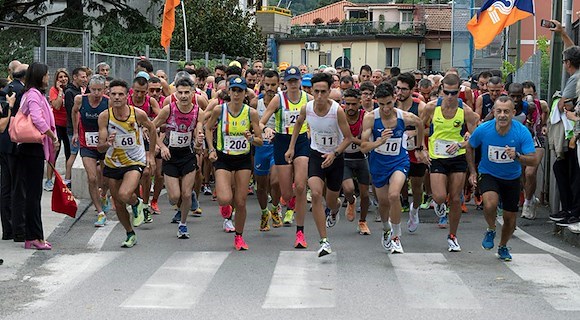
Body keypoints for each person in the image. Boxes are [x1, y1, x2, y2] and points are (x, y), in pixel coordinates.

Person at [285, 72, 352, 257]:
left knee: (331, 201)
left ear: (330, 91)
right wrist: (291, 147)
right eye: (317, 92)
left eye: (324, 91)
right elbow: (298, 124)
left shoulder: (336, 110)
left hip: (335, 158)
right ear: (311, 91)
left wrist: (335, 153)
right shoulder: (307, 108)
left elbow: (348, 138)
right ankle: (324, 241)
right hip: (315, 155)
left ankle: (335, 208)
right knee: (315, 193)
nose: (320, 96)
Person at [467, 96, 538, 261]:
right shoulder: (484, 129)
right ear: (493, 112)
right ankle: (491, 228)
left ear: (513, 113)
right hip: (489, 173)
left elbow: (534, 159)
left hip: (512, 178)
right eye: (499, 111)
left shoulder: (521, 132)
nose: (502, 115)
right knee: (490, 203)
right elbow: (470, 146)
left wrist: (518, 156)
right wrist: (472, 171)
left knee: (510, 219)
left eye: (506, 111)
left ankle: (503, 246)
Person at [361, 82, 427, 254]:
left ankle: (396, 237)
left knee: (394, 195)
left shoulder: (404, 117)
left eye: (389, 103)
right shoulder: (370, 118)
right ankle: (386, 229)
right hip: (378, 164)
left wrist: (419, 148)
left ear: (395, 99)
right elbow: (363, 147)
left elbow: (420, 123)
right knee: (383, 202)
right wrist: (379, 142)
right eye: (381, 104)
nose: (385, 108)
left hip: (399, 161)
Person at [97, 79, 157, 248]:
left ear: (126, 96)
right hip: (113, 162)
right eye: (113, 94)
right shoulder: (105, 117)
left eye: (120, 94)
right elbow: (100, 148)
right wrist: (107, 143)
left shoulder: (137, 114)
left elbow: (152, 129)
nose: (116, 97)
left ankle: (137, 203)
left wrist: (151, 155)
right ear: (109, 95)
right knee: (119, 202)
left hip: (134, 160)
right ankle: (130, 233)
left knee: (124, 194)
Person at [422, 74, 478, 252]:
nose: (450, 96)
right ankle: (439, 204)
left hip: (458, 158)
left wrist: (463, 142)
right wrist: (420, 149)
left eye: (454, 93)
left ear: (459, 91)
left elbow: (474, 139)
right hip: (438, 157)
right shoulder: (431, 107)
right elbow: (418, 126)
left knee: (455, 198)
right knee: (439, 196)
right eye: (446, 92)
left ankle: (453, 236)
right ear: (441, 91)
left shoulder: (466, 111)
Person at [205, 76, 263, 250]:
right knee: (224, 198)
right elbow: (208, 128)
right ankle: (226, 209)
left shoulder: (250, 112)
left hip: (243, 159)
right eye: (234, 90)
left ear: (245, 93)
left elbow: (260, 140)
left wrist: (251, 138)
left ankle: (239, 236)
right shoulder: (219, 110)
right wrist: (211, 149)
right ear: (228, 92)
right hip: (223, 158)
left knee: (241, 201)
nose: (236, 94)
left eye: (240, 91)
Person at [260, 66, 313, 248]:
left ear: (300, 81)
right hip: (282, 141)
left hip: (301, 142)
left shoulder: (308, 99)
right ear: (285, 82)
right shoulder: (278, 99)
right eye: (289, 81)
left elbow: (318, 116)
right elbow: (262, 120)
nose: (292, 84)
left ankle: (300, 232)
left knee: (300, 186)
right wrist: (265, 129)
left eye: (295, 81)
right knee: (286, 192)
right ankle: (286, 202)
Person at [12, 63, 59, 250]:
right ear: (40, 76)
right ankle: (35, 237)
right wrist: (52, 135)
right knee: (33, 195)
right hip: (32, 148)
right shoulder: (32, 94)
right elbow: (38, 119)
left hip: (30, 148)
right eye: (47, 75)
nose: (48, 78)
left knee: (32, 194)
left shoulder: (32, 93)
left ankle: (32, 236)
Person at [153, 78, 204, 239]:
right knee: (174, 196)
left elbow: (199, 131)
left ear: (192, 93)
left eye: (186, 93)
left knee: (186, 194)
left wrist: (199, 140)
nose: (183, 96)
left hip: (188, 155)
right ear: (175, 94)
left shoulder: (198, 112)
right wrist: (161, 147)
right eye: (180, 92)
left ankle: (183, 224)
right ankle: (183, 202)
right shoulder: (169, 110)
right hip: (171, 155)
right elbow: (151, 127)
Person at [72, 75, 110, 227]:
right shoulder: (80, 99)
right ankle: (100, 212)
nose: (96, 93)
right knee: (92, 178)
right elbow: (75, 112)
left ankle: (104, 194)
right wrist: (75, 131)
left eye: (99, 90)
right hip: (87, 144)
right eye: (93, 89)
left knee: (106, 178)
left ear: (104, 89)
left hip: (105, 144)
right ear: (89, 88)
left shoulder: (108, 102)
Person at [395, 73, 427, 232]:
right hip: (396, 151)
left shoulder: (420, 106)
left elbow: (429, 129)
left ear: (412, 89)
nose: (399, 92)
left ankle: (415, 209)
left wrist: (415, 134)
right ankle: (399, 208)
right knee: (396, 183)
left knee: (416, 186)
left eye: (404, 89)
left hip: (415, 151)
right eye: (398, 88)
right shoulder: (392, 104)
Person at [251, 70, 283, 231]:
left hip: (277, 146)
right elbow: (249, 123)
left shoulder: (283, 102)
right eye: (267, 84)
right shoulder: (256, 103)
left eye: (273, 84)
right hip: (261, 147)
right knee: (261, 186)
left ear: (279, 84)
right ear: (262, 83)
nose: (270, 88)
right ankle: (265, 213)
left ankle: (275, 207)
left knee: (276, 182)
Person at [0, 63, 27, 242]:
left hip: (3, 144)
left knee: (6, 186)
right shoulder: (24, 92)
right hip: (15, 142)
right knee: (18, 187)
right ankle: (19, 230)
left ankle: (8, 229)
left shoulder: (6, 89)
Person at [341, 88, 371, 235]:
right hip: (344, 158)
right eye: (348, 104)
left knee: (365, 194)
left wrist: (352, 139)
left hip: (361, 157)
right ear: (344, 103)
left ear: (360, 103)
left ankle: (362, 222)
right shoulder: (339, 115)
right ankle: (351, 201)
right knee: (348, 189)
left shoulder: (365, 117)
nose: (351, 108)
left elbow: (365, 143)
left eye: (354, 104)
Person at [520, 81, 549, 219]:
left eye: (530, 94)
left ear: (535, 94)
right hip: (521, 142)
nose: (527, 98)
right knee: (522, 174)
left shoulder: (540, 104)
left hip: (536, 140)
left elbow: (546, 110)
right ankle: (530, 197)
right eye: (524, 95)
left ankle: (527, 203)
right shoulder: (517, 107)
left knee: (530, 172)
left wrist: (543, 124)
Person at [45, 68, 70, 191]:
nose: (63, 79)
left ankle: (67, 180)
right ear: (56, 79)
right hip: (57, 125)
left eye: (65, 76)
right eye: (60, 77)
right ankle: (49, 180)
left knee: (69, 154)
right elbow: (56, 105)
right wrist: (60, 91)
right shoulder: (53, 90)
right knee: (54, 152)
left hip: (69, 125)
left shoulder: (71, 89)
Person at [64, 67, 88, 187]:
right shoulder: (69, 92)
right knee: (73, 153)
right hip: (73, 129)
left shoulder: (80, 91)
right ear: (75, 77)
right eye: (82, 77)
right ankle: (67, 180)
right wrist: (75, 131)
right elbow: (71, 112)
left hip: (80, 128)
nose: (85, 79)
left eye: (86, 77)